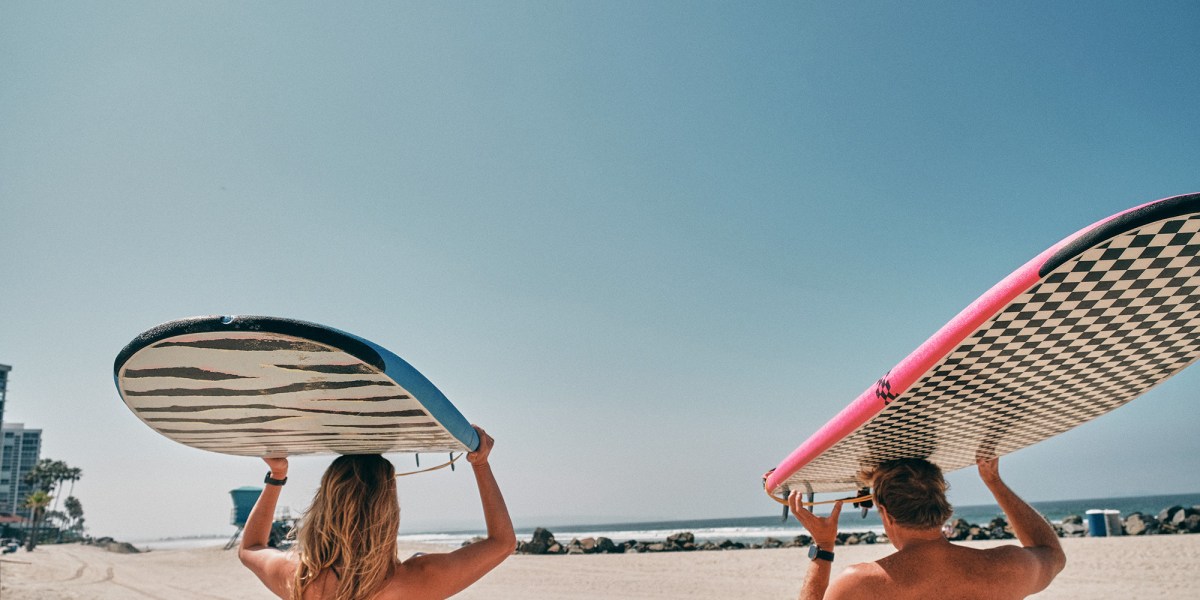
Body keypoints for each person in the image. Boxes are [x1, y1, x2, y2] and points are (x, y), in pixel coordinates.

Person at [239, 425, 516, 600]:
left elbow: (250, 547)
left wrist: (277, 476)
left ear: (325, 505)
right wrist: (481, 465)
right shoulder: (416, 580)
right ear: (388, 512)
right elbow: (503, 542)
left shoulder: (299, 579)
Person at [789, 457, 1065, 600]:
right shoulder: (1007, 568)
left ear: (885, 513)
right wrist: (994, 482)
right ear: (942, 505)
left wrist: (823, 547)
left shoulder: (860, 585)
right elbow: (1052, 553)